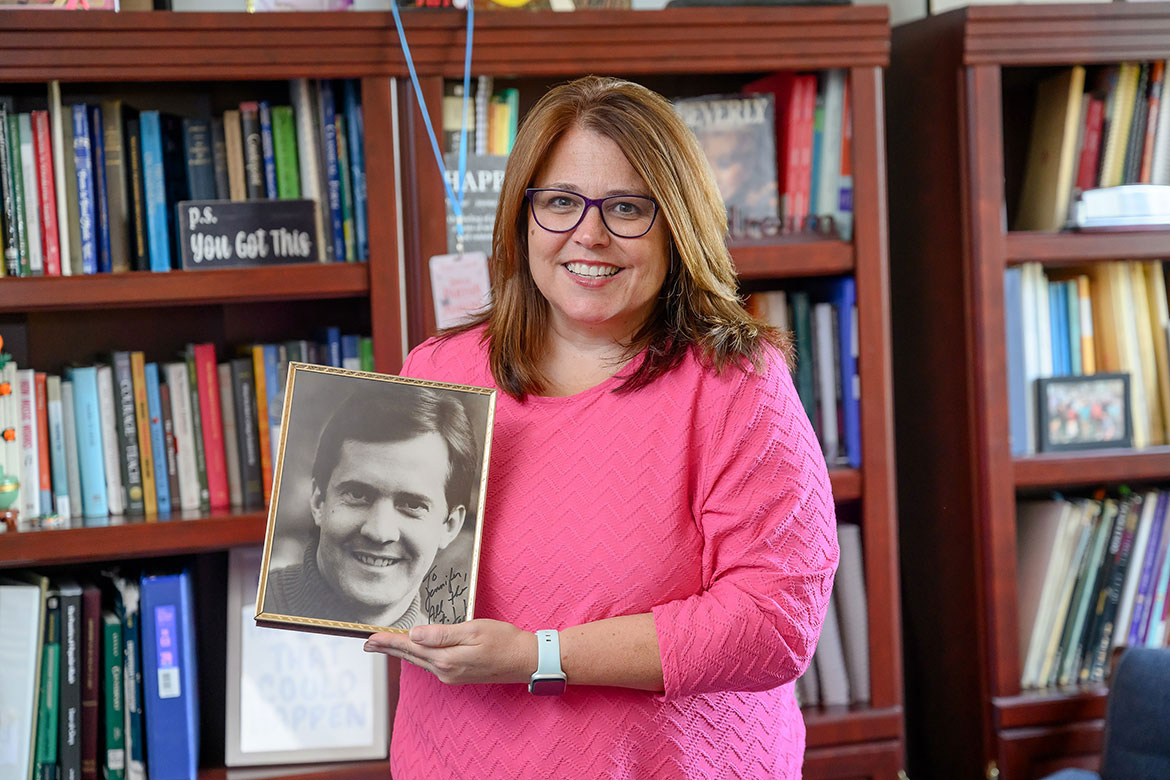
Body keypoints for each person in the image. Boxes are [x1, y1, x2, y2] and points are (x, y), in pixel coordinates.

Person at [364, 75, 839, 778]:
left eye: (625, 208)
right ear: (523, 217)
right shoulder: (441, 370)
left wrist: (539, 657)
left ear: (676, 225)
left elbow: (775, 622)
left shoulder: (734, 382)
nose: (589, 235)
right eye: (559, 202)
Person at [264, 383, 479, 631]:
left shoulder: (442, 660)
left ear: (450, 526)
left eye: (412, 504)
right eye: (357, 494)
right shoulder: (254, 614)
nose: (379, 532)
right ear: (317, 501)